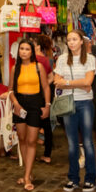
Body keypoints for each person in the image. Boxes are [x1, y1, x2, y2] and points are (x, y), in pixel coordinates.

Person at [54, 29, 96, 192]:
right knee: (72, 143)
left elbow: (88, 81)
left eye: (74, 39)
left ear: (81, 41)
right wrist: (74, 84)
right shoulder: (62, 59)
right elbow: (56, 80)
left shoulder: (90, 59)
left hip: (85, 103)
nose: (71, 42)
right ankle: (73, 178)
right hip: (68, 103)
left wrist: (66, 83)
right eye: (69, 40)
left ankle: (90, 178)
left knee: (87, 141)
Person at [10, 39, 51, 191]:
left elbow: (46, 88)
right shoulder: (15, 68)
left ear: (32, 52)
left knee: (32, 140)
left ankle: (26, 176)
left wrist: (47, 106)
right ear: (18, 51)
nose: (24, 52)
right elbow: (10, 90)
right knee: (22, 138)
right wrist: (16, 104)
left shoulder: (38, 67)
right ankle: (29, 172)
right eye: (22, 49)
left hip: (35, 103)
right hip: (20, 103)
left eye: (27, 49)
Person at [35, 35, 56, 165]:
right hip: (45, 93)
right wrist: (44, 88)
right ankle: (47, 154)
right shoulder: (48, 59)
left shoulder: (34, 60)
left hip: (35, 95)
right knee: (46, 123)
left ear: (37, 45)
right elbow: (51, 78)